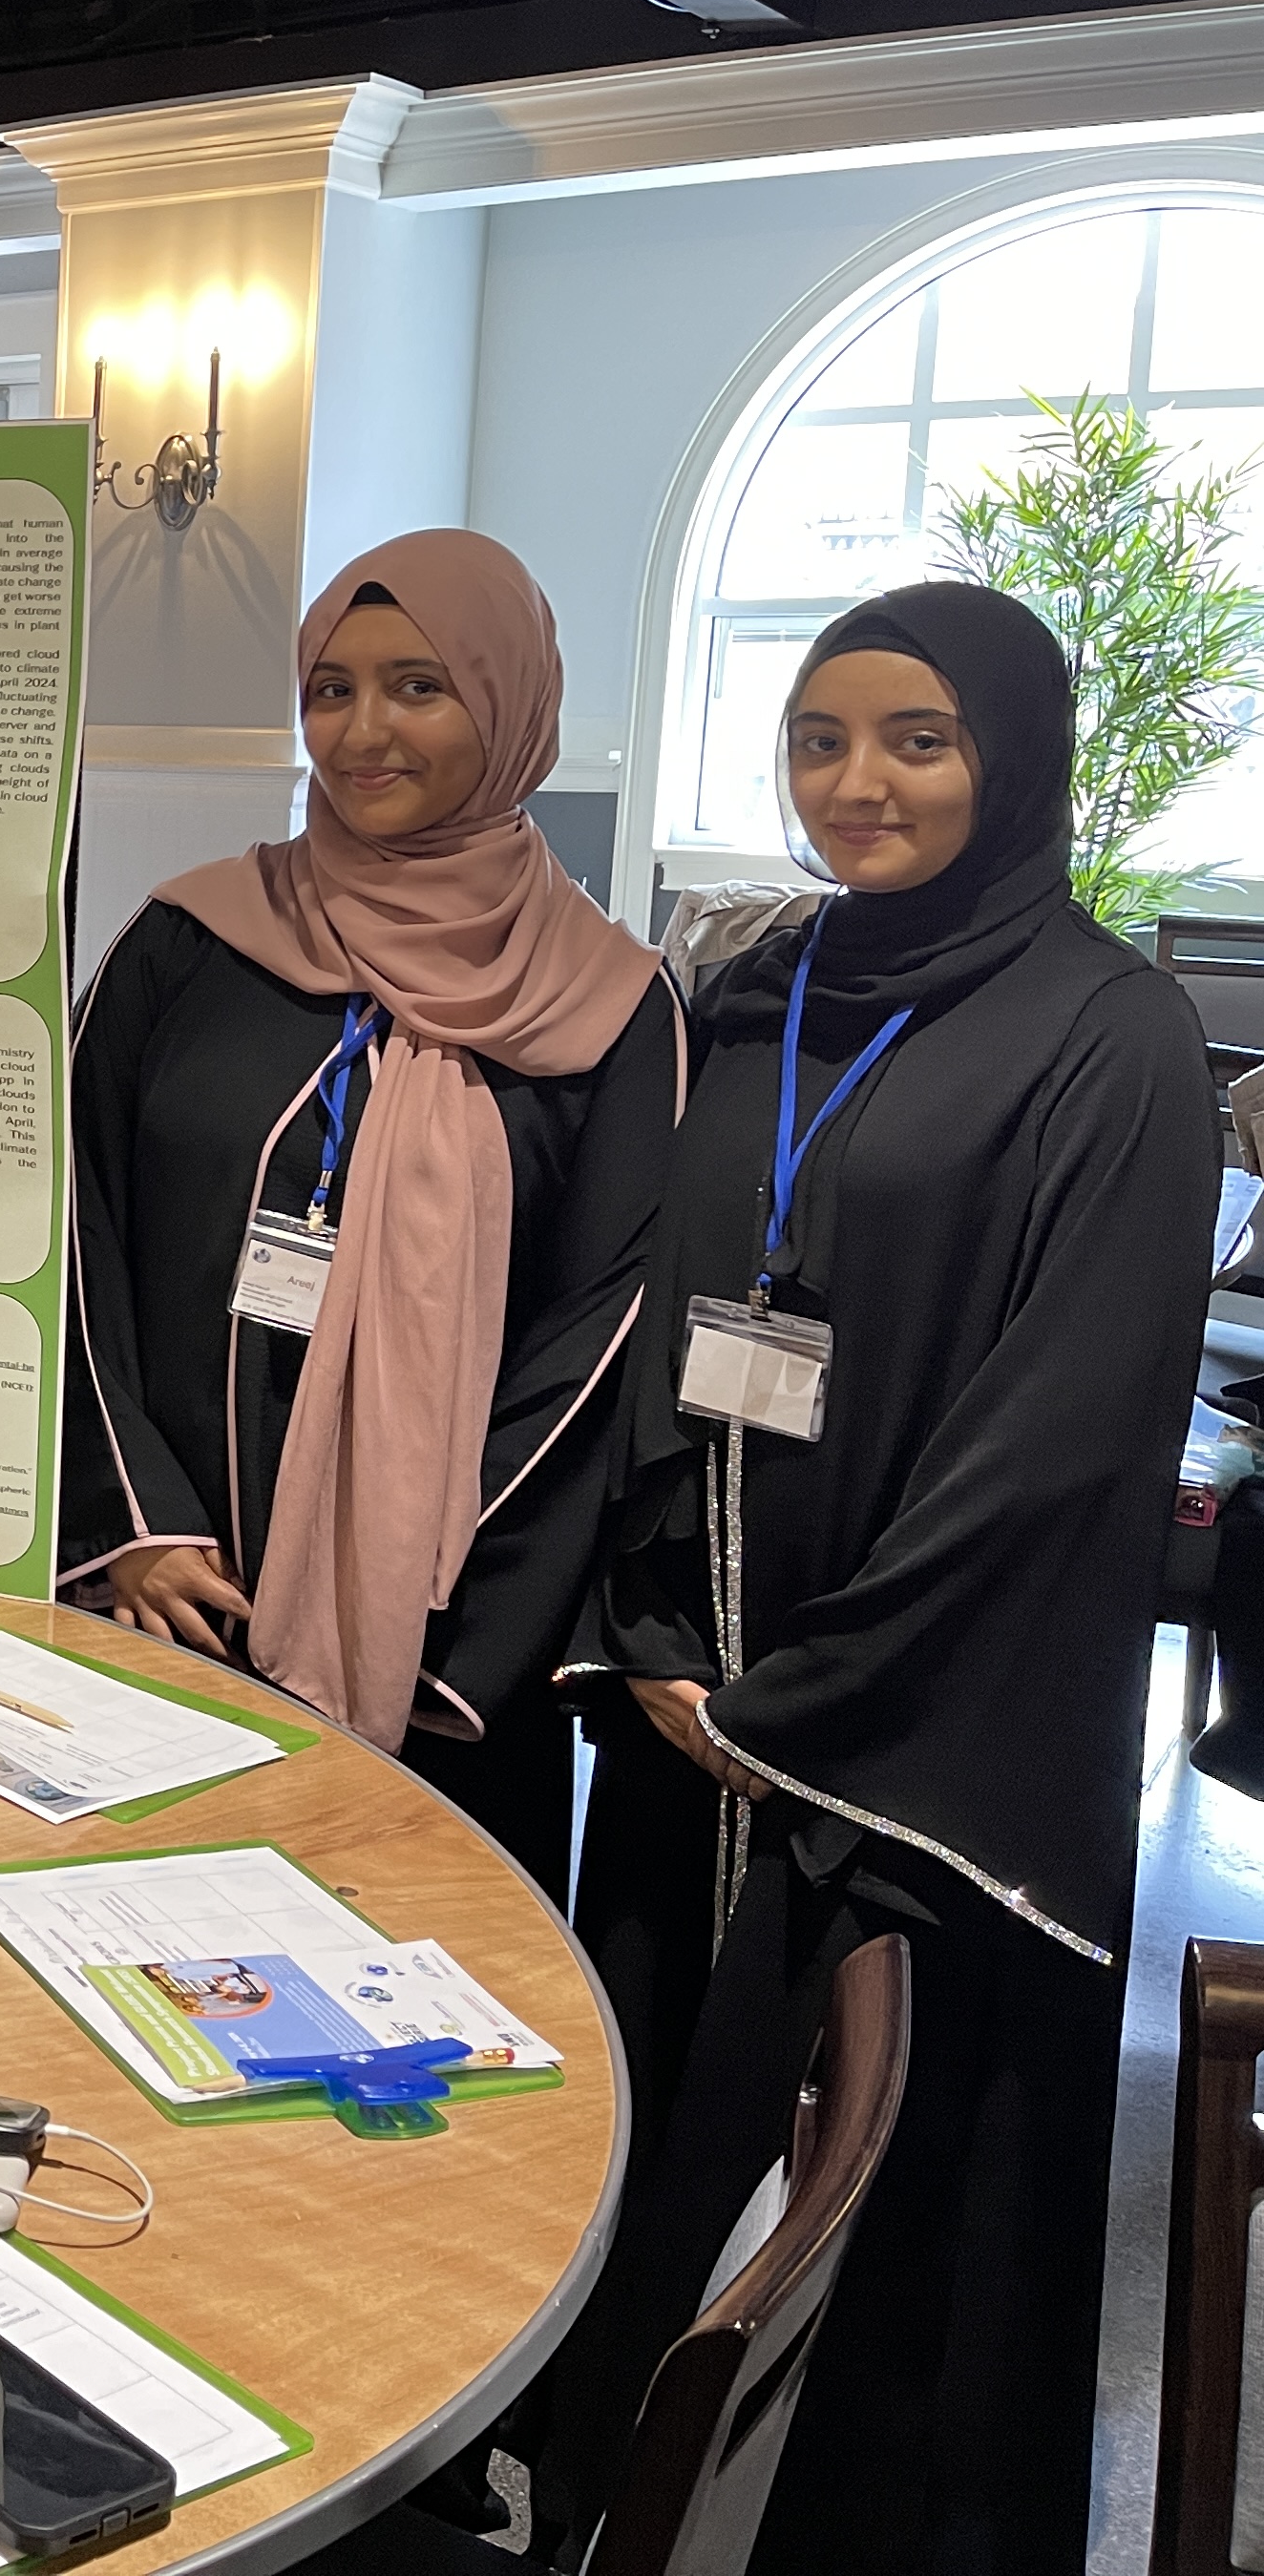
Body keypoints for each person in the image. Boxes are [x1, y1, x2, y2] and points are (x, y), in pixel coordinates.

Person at [535, 583, 1210, 2572]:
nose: (859, 785)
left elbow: (1063, 1431)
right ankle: (621, 2510)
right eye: (822, 739)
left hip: (914, 1755)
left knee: (898, 2223)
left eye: (916, 740)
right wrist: (650, 1632)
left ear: (1010, 761)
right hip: (687, 1707)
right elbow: (646, 1307)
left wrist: (805, 1709)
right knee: (670, 2170)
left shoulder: (1110, 1033)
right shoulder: (759, 988)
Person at [59, 530, 679, 1896]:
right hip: (171, 1601)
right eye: (331, 689)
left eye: (418, 686)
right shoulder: (195, 937)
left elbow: (603, 1338)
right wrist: (134, 1519)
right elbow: (68, 1219)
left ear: (509, 704)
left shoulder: (611, 1007)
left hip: (434, 1648)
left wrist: (443, 1614)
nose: (363, 731)